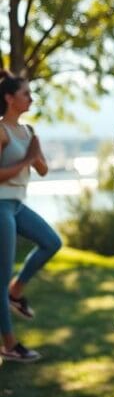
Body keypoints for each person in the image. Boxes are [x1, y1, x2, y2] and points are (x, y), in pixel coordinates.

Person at [0, 71, 61, 363]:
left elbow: (44, 170)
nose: (31, 98)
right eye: (26, 94)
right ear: (9, 98)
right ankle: (9, 344)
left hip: (17, 206)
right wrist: (27, 158)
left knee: (52, 241)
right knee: (0, 279)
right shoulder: (1, 131)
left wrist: (35, 154)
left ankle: (17, 290)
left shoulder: (27, 131)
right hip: (1, 206)